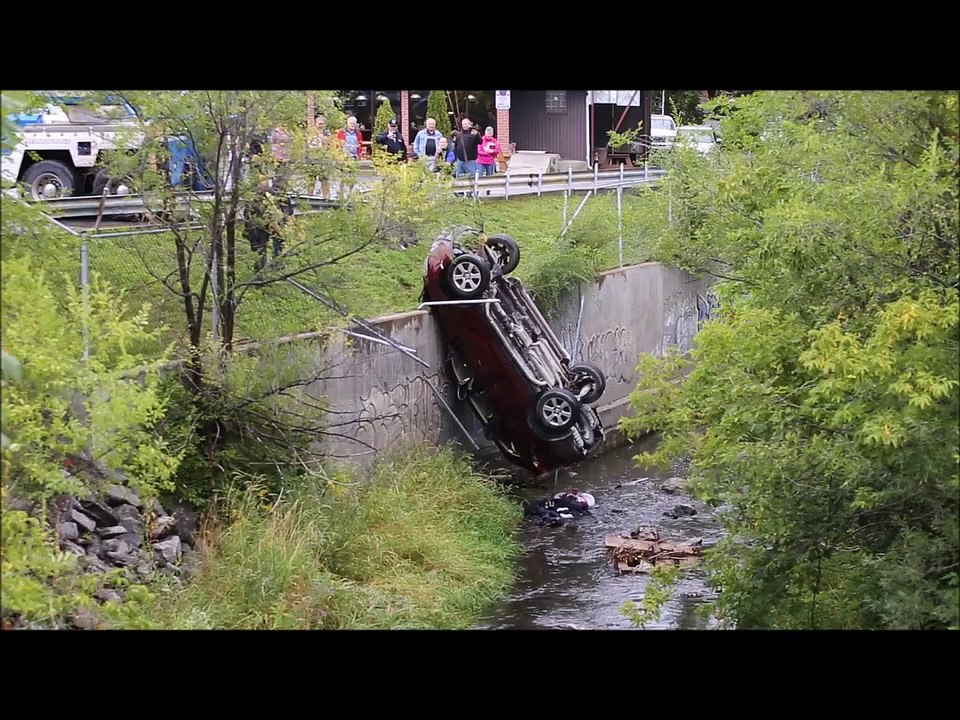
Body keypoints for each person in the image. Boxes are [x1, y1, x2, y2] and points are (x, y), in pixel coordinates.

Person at [335, 115, 363, 199]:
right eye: (351, 123)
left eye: (354, 124)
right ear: (347, 123)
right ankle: (341, 193)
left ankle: (350, 194)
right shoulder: (341, 132)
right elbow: (337, 144)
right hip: (344, 157)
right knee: (343, 176)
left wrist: (359, 154)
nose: (352, 125)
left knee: (352, 176)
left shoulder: (358, 133)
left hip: (353, 157)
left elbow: (360, 144)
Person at [308, 114, 331, 199]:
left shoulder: (327, 132)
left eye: (322, 123)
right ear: (315, 123)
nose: (320, 125)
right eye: (319, 123)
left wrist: (321, 136)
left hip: (323, 158)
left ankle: (325, 198)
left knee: (324, 179)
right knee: (311, 179)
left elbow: (328, 142)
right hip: (312, 157)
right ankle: (309, 197)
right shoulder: (311, 132)